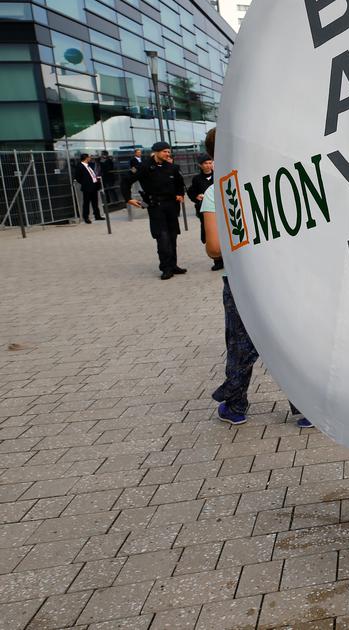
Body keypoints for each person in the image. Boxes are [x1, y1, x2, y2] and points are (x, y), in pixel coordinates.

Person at [199, 128, 311, 429]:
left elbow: (213, 248)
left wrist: (240, 238)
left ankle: (235, 405)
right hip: (277, 274)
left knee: (239, 342)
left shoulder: (215, 192)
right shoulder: (268, 180)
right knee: (287, 338)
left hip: (240, 281)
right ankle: (304, 408)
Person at [123, 142, 187, 279]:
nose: (168, 154)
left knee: (172, 236)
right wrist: (128, 199)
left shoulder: (172, 167)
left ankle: (173, 265)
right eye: (165, 151)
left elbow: (180, 183)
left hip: (171, 206)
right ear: (156, 152)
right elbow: (125, 181)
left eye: (169, 152)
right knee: (162, 237)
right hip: (155, 206)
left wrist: (180, 194)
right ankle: (166, 268)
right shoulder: (143, 167)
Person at [188, 154, 221, 270]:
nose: (208, 165)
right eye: (205, 163)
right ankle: (217, 261)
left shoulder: (218, 176)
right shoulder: (197, 179)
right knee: (208, 233)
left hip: (219, 209)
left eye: (209, 163)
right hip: (205, 210)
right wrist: (197, 196)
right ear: (200, 166)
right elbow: (191, 192)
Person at [74, 153, 103, 223]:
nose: (90, 158)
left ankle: (97, 215)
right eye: (89, 157)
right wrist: (85, 183)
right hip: (87, 187)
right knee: (86, 203)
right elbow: (78, 177)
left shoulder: (88, 165)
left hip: (94, 186)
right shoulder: (80, 166)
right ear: (86, 158)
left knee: (95, 202)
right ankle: (86, 217)